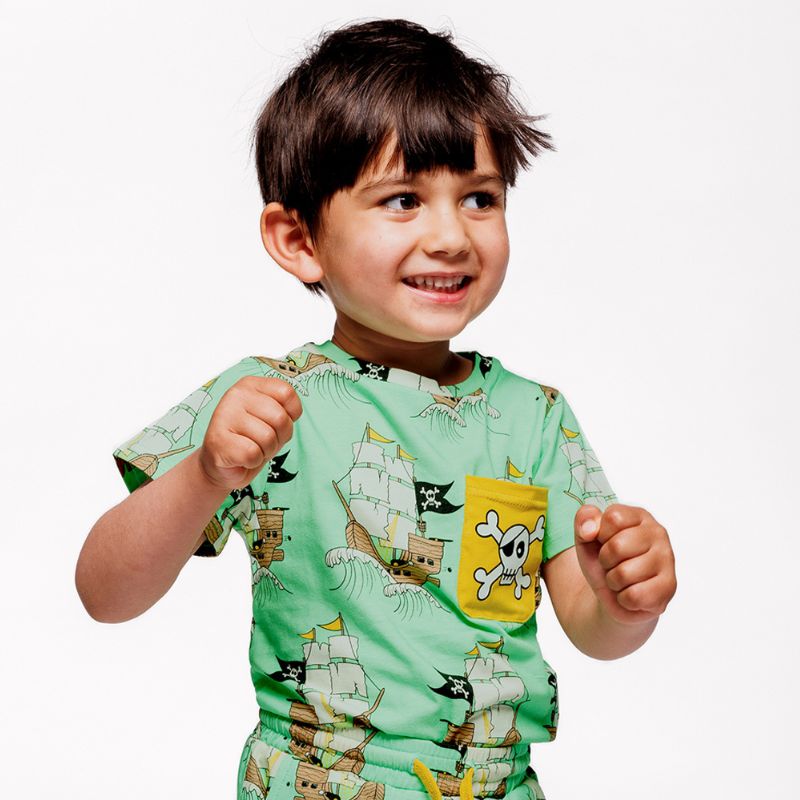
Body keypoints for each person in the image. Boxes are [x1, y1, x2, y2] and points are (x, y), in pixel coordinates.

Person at [75, 18, 677, 800]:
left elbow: (593, 631)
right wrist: (204, 475)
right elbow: (104, 593)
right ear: (299, 240)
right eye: (402, 200)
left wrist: (626, 600)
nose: (451, 236)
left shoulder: (534, 418)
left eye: (480, 198)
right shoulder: (266, 402)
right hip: (314, 781)